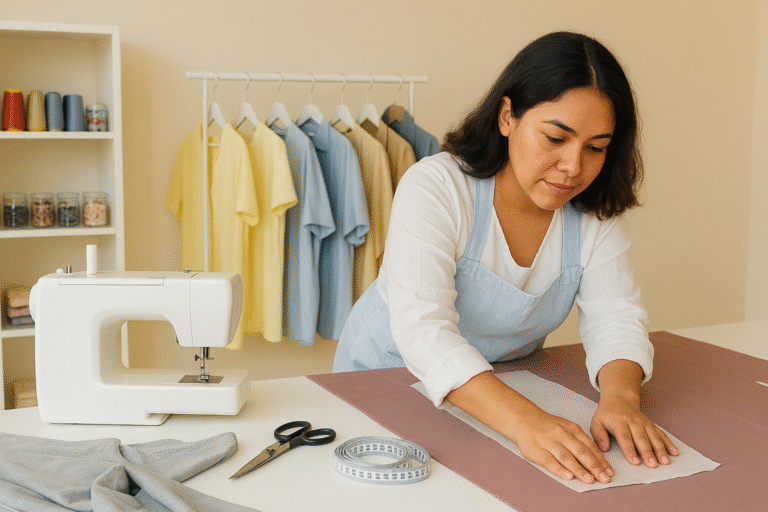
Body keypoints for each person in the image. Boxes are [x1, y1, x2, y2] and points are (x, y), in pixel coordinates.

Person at [333, 31, 678, 485]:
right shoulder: (437, 187)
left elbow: (616, 316)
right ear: (507, 116)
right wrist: (526, 423)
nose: (574, 166)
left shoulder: (594, 213)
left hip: (501, 390)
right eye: (556, 137)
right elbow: (423, 328)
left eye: (595, 147)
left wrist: (620, 400)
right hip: (384, 379)